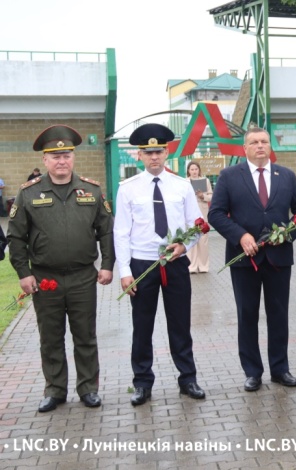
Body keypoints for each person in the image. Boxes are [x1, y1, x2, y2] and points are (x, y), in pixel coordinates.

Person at [7, 125, 114, 412]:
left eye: (66, 154)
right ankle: (55, 390)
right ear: (45, 161)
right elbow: (15, 237)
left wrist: (106, 265)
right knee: (50, 338)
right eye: (54, 156)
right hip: (45, 278)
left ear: (73, 157)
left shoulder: (91, 190)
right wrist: (23, 273)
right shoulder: (28, 194)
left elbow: (106, 231)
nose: (61, 161)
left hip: (82, 277)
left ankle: (88, 389)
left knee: (85, 336)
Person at [209, 127, 296, 391]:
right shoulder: (229, 176)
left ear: (270, 146)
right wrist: (240, 235)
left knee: (279, 314)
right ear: (244, 148)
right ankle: (252, 371)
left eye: (264, 142)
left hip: (279, 258)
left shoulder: (286, 176)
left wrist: (287, 234)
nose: (259, 146)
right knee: (247, 315)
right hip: (244, 259)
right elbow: (216, 214)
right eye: (254, 142)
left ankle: (280, 369)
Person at [114, 123, 206, 406]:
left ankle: (187, 379)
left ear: (167, 153)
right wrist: (126, 272)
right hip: (143, 265)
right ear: (139, 155)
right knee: (142, 326)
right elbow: (121, 232)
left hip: (175, 263)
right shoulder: (128, 189)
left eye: (159, 151)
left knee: (180, 324)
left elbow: (197, 225)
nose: (154, 157)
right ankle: (142, 382)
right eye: (148, 152)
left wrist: (183, 246)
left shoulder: (182, 186)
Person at [186, 161, 213, 273]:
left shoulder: (205, 180)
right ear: (188, 171)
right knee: (191, 239)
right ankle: (192, 266)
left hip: (202, 211)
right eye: (192, 169)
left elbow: (211, 195)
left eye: (196, 169)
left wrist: (203, 196)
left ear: (199, 170)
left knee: (203, 240)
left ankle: (203, 266)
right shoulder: (185, 182)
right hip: (190, 212)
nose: (194, 172)